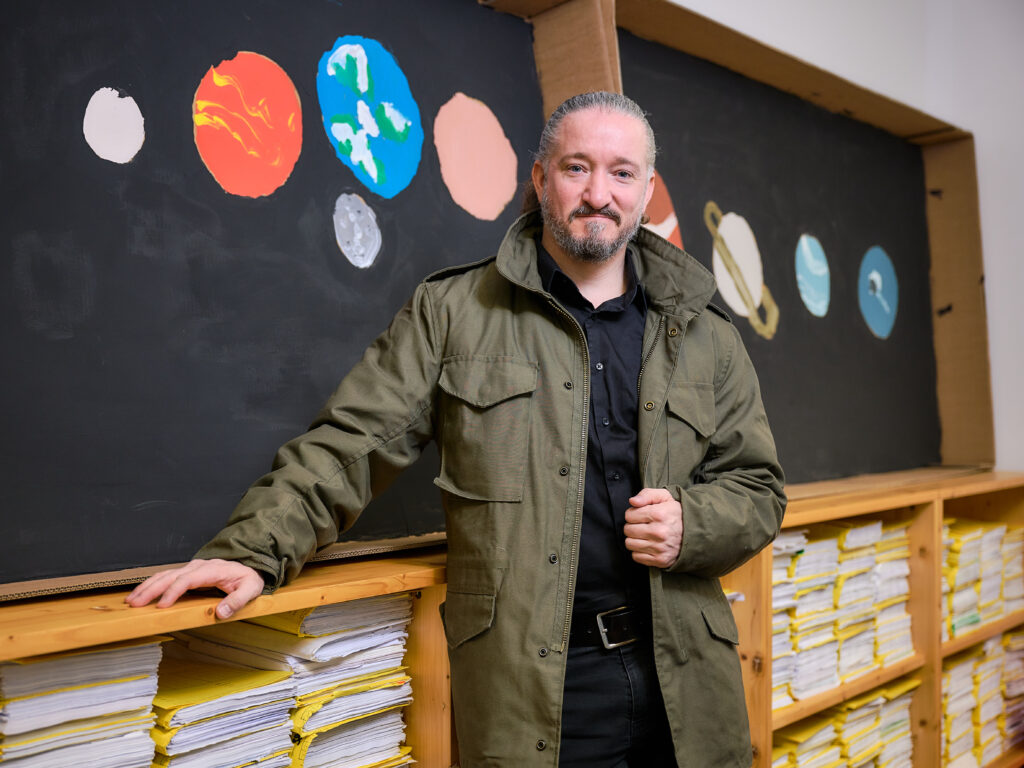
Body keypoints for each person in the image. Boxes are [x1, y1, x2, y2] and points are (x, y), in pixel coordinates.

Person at [128, 91, 786, 768]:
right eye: (576, 168)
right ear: (539, 179)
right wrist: (251, 550)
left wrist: (691, 523)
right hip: (533, 692)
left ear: (647, 190)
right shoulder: (453, 313)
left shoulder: (704, 331)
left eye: (622, 173)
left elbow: (759, 490)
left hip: (687, 687)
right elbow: (350, 443)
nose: (599, 193)